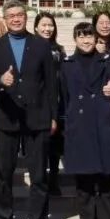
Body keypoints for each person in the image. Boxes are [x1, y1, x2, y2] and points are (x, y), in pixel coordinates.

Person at [0, 0, 58, 219]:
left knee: (39, 177)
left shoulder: (41, 45)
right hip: (7, 119)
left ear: (26, 17)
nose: (16, 19)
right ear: (4, 19)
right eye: (11, 15)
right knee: (4, 176)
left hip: (37, 119)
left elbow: (51, 84)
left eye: (20, 15)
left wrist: (53, 116)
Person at [62, 23, 110, 219]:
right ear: (75, 40)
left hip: (103, 126)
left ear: (95, 39)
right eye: (81, 37)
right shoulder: (67, 65)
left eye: (89, 36)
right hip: (79, 128)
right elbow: (63, 97)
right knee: (85, 187)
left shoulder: (107, 62)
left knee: (107, 185)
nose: (86, 41)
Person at [33, 12, 66, 197]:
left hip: (57, 102)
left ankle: (54, 178)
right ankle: (40, 180)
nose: (47, 29)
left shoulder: (59, 50)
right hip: (37, 103)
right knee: (40, 145)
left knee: (55, 144)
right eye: (44, 25)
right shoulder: (31, 47)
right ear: (36, 27)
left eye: (50, 25)